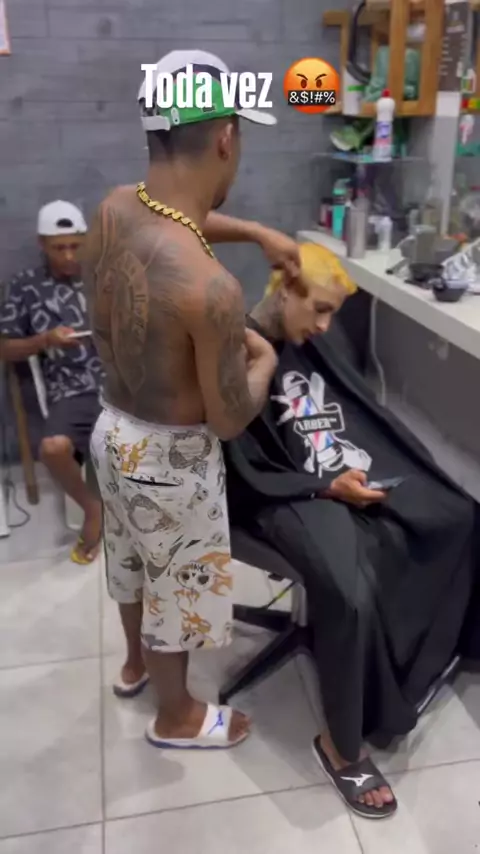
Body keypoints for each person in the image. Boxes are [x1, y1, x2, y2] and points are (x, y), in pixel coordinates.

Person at [224, 241, 479, 819]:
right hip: (274, 488)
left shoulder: (309, 342)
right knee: (350, 588)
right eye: (318, 309)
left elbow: (363, 414)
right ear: (283, 291)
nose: (325, 326)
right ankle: (341, 747)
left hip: (336, 470)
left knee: (458, 512)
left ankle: (452, 646)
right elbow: (244, 461)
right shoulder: (236, 348)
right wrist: (325, 487)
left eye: (332, 313)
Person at [84, 49, 289, 750]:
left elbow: (174, 219)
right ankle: (178, 717)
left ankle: (136, 665)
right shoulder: (213, 289)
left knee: (131, 563)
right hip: (169, 463)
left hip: (112, 431)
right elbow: (228, 418)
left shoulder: (111, 210)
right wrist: (264, 358)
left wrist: (256, 232)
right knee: (176, 589)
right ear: (226, 136)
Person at [0, 200, 104, 564]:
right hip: (71, 389)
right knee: (53, 449)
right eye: (59, 248)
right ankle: (93, 509)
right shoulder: (24, 286)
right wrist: (45, 340)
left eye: (76, 245)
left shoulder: (104, 275)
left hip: (124, 383)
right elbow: (5, 348)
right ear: (42, 244)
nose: (69, 255)